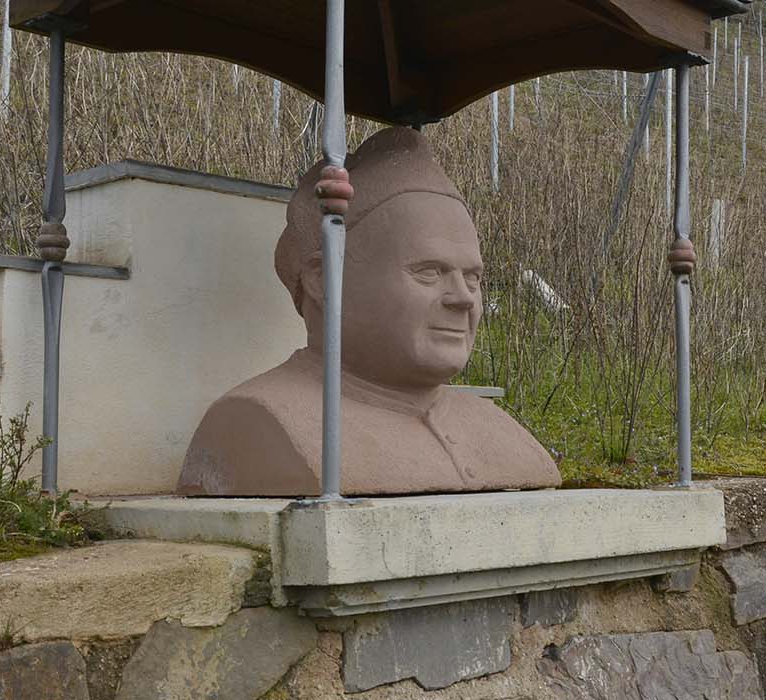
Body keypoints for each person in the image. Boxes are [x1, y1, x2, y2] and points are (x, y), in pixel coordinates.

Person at [178, 127, 559, 496]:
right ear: (324, 279)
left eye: (473, 279)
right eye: (429, 272)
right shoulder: (256, 422)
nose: (462, 298)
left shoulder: (500, 432)